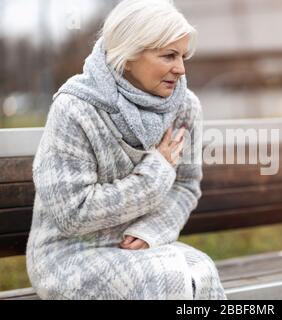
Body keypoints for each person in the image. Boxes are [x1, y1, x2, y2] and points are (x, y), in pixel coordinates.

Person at [26, 0, 227, 300]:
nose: (181, 69)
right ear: (129, 54)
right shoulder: (76, 108)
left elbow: (185, 185)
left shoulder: (184, 108)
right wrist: (156, 172)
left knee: (203, 272)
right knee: (164, 279)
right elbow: (73, 214)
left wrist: (153, 231)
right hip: (70, 253)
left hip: (143, 247)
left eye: (183, 56)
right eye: (169, 56)